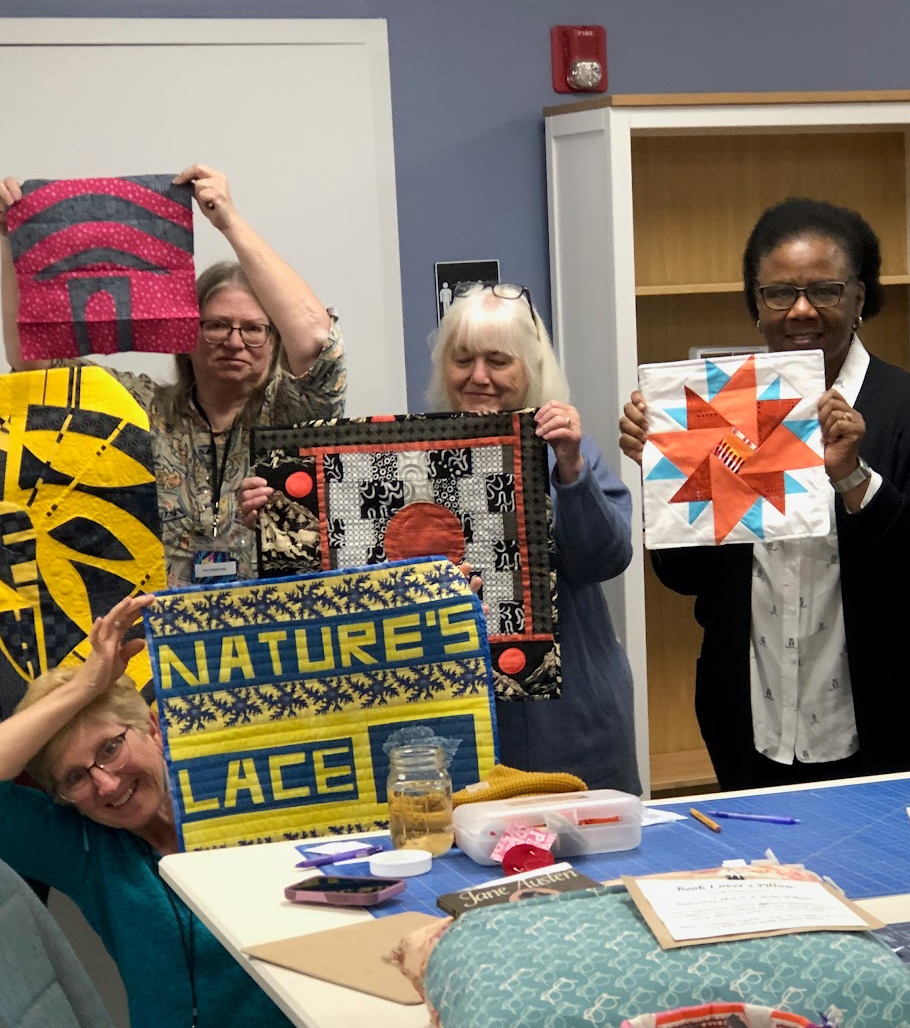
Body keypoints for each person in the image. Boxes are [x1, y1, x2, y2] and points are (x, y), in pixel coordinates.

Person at [0, 595, 408, 1028]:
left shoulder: (271, 798)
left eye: (111, 747)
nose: (107, 784)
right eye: (75, 777)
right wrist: (85, 685)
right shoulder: (88, 848)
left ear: (153, 726)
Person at [620, 198, 910, 791]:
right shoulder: (717, 409)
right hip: (751, 723)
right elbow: (683, 577)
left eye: (826, 290)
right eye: (780, 293)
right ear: (756, 306)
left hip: (896, 721)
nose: (802, 310)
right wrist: (665, 475)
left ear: (860, 298)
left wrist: (855, 478)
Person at [241, 283, 640, 793]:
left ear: (531, 369)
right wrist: (280, 520)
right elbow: (339, 591)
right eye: (463, 359)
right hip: (443, 722)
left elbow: (604, 559)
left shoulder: (563, 453)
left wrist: (572, 469)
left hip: (566, 722)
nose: (479, 376)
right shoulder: (394, 460)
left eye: (498, 361)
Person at [0, 166, 347, 587]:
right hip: (158, 620)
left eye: (253, 328)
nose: (234, 341)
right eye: (216, 325)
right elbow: (34, 365)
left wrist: (228, 220)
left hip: (275, 619)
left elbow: (319, 341)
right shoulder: (139, 407)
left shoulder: (299, 413)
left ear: (275, 337)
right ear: (186, 331)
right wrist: (11, 238)